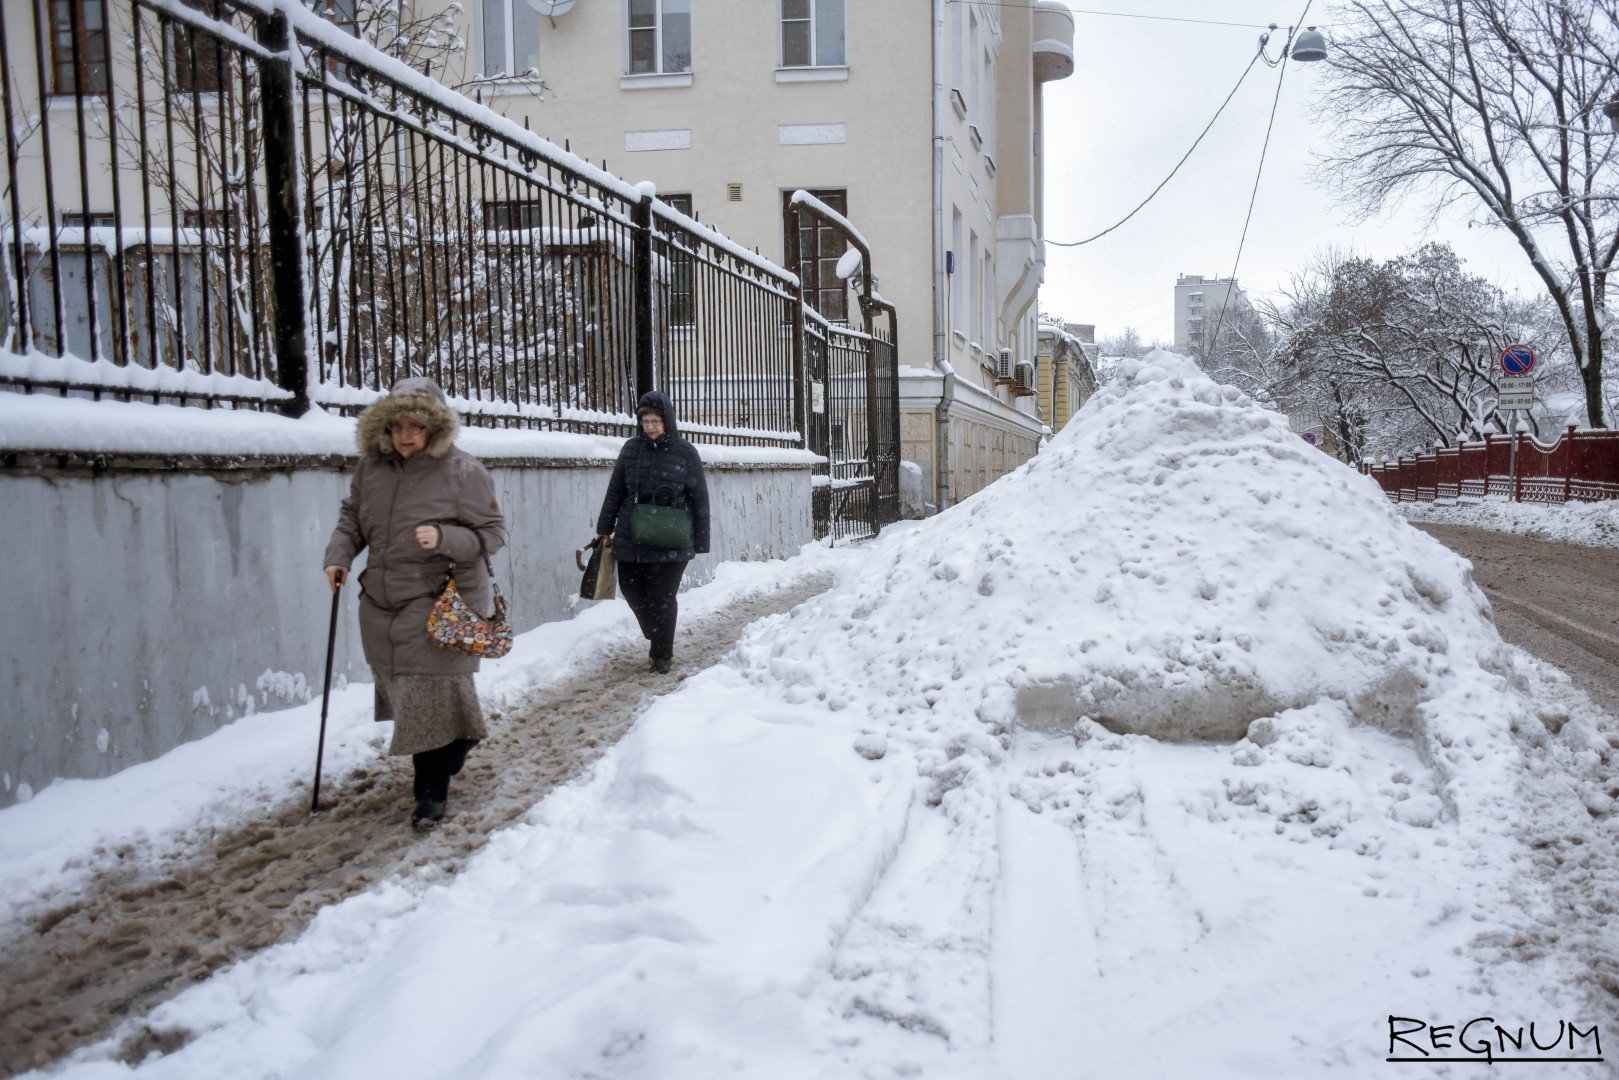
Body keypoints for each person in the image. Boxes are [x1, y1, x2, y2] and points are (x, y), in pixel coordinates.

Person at [323, 377, 507, 831]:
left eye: (416, 425)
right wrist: (338, 557)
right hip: (382, 601)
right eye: (397, 425)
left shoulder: (463, 472)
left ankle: (430, 797)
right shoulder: (371, 468)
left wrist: (445, 537)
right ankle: (456, 745)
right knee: (413, 701)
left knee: (427, 701)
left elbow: (493, 534)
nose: (405, 434)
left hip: (440, 602)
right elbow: (352, 519)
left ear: (435, 428)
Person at [596, 390, 711, 674]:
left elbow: (700, 497)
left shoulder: (685, 452)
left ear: (667, 421)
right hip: (631, 531)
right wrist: (604, 529)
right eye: (645, 421)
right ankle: (654, 630)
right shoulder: (631, 449)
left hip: (672, 536)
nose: (650, 427)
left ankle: (662, 655)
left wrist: (702, 539)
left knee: (661, 596)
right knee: (631, 588)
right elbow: (615, 491)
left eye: (655, 421)